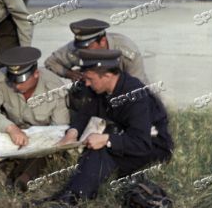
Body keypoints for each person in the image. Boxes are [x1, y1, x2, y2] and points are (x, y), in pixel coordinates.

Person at [36, 49, 173, 205]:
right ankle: (67, 195)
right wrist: (72, 133)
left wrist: (107, 140)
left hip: (152, 147)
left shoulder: (134, 95)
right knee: (98, 151)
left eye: (90, 79)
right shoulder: (101, 88)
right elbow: (85, 113)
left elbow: (141, 142)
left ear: (107, 75)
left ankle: (71, 198)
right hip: (127, 138)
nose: (86, 83)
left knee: (100, 152)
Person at [0, 46, 69, 190]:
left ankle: (23, 179)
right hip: (11, 133)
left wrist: (39, 143)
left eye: (21, 80)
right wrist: (10, 128)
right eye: (13, 80)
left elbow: (59, 129)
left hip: (41, 138)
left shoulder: (54, 88)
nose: (16, 86)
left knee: (44, 153)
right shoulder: (2, 78)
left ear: (36, 74)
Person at [44, 18, 149, 83]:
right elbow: (51, 62)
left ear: (102, 41)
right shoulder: (77, 49)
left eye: (87, 47)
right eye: (81, 47)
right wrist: (69, 73)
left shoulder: (127, 51)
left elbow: (137, 86)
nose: (83, 51)